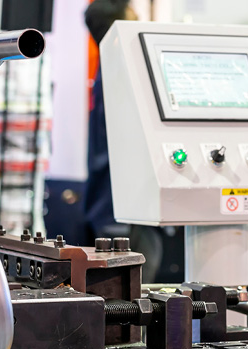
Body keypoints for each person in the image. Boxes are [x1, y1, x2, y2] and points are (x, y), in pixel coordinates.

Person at [84, 0, 164, 282]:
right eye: (134, 15)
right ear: (120, 25)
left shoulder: (108, 68)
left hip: (109, 205)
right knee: (131, 293)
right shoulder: (123, 71)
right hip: (125, 209)